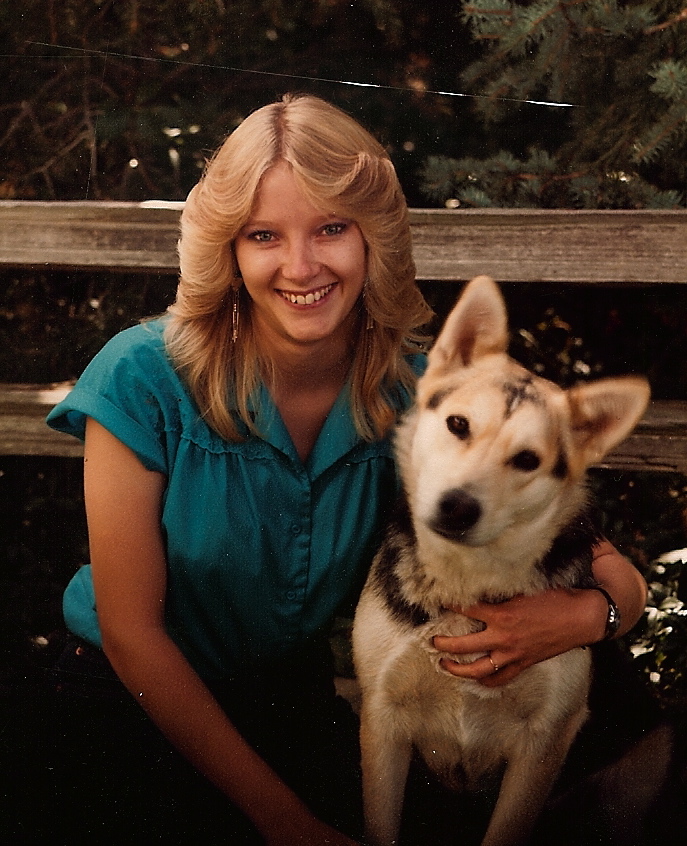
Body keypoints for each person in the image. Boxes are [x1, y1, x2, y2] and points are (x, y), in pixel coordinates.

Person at [44, 94, 648, 844]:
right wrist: (284, 822)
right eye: (264, 235)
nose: (301, 266)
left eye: (331, 228)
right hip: (125, 694)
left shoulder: (429, 396)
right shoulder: (141, 377)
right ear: (228, 250)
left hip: (286, 700)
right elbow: (132, 632)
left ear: (373, 241)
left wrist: (587, 616)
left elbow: (614, 573)